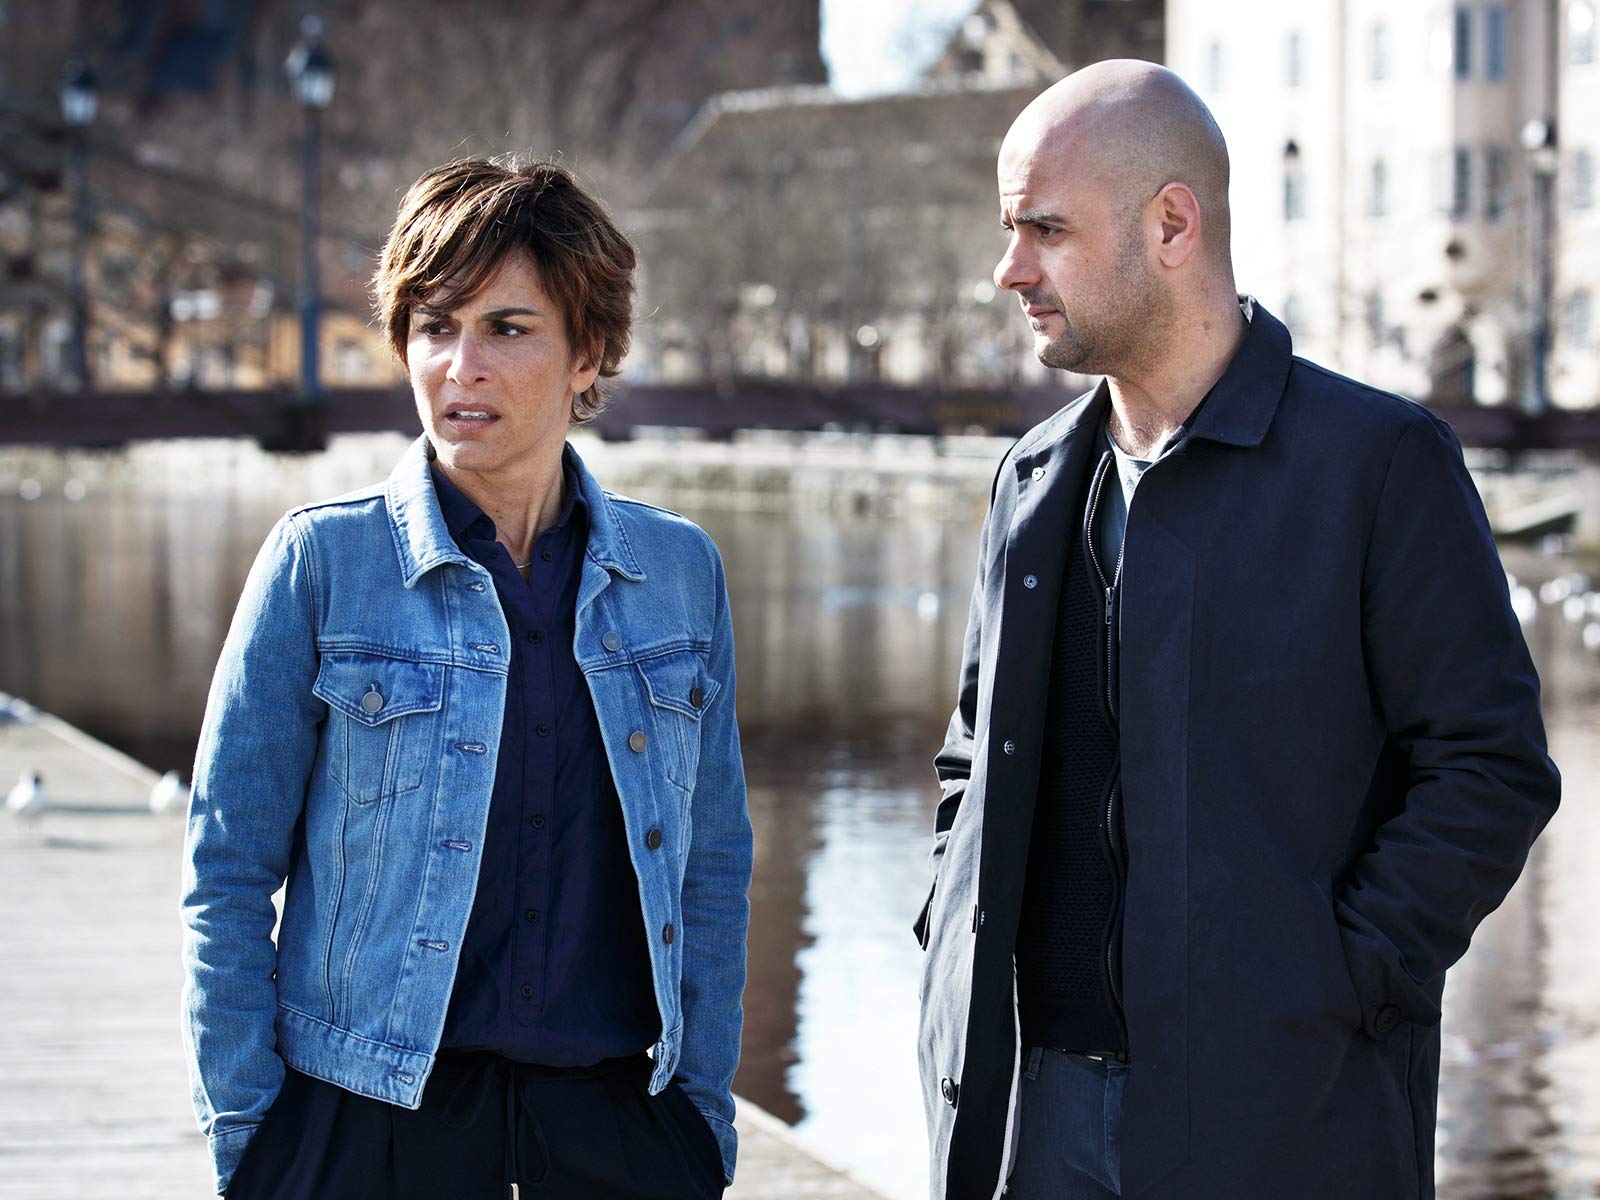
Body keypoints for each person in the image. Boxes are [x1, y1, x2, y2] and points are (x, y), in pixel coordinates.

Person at [914, 60, 1560, 1200]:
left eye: (1044, 230)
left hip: (1284, 1113)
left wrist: (1338, 979)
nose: (1008, 269)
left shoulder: (1378, 464)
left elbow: (1488, 769)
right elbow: (973, 754)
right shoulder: (1033, 475)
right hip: (1025, 1114)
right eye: (1010, 231)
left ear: (1173, 225)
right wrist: (949, 922)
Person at [181, 155, 751, 1200]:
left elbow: (711, 865)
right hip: (368, 1123)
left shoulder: (678, 574)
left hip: (618, 1124)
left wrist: (700, 1121)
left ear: (588, 353)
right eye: (435, 326)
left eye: (507, 328)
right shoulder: (322, 562)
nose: (460, 366)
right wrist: (255, 1141)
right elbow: (226, 865)